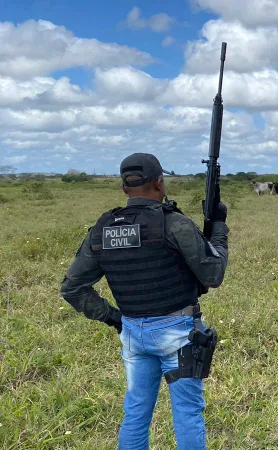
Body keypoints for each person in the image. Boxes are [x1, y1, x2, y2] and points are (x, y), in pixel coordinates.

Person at [60, 153, 229, 450]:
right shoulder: (174, 223)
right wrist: (218, 233)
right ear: (160, 184)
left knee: (136, 412)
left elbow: (72, 288)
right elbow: (213, 274)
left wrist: (113, 317)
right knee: (187, 413)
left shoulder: (102, 228)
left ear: (124, 188)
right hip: (178, 333)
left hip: (133, 334)